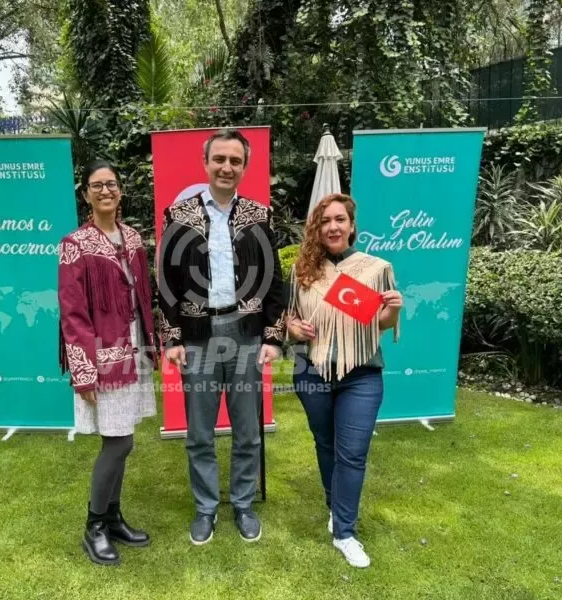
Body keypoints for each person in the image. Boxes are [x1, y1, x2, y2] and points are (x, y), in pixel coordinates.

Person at [158, 128, 285, 545]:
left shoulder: (260, 215)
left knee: (248, 429)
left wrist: (273, 337)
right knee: (199, 432)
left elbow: (274, 281)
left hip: (246, 333)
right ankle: (206, 508)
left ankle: (244, 504)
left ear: (244, 166)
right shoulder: (179, 216)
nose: (227, 167)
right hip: (198, 336)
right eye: (220, 159)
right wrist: (173, 338)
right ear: (206, 163)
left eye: (235, 160)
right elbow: (167, 281)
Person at [286, 193, 403, 568]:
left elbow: (380, 324)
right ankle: (334, 506)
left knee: (352, 452)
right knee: (325, 444)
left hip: (361, 374)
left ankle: (345, 533)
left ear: (352, 226)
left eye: (340, 219)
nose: (333, 227)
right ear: (316, 228)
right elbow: (289, 318)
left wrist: (393, 310)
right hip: (312, 371)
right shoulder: (303, 270)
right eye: (325, 221)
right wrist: (294, 328)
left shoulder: (376, 268)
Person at [58, 160, 157, 566]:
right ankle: (94, 526)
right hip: (102, 357)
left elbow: (144, 296)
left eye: (111, 184)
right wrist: (83, 371)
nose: (105, 191)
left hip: (134, 349)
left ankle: (113, 519)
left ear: (120, 191)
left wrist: (153, 342)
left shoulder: (132, 237)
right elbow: (72, 313)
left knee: (124, 437)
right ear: (86, 194)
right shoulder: (75, 244)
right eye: (96, 185)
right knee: (119, 442)